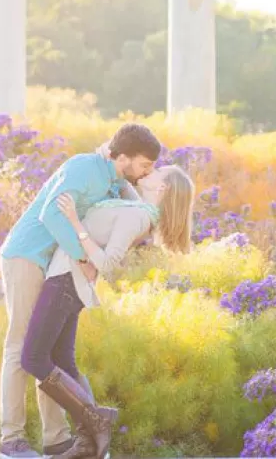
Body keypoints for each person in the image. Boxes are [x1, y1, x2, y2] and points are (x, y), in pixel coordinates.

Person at [0, 124, 161, 459]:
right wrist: (84, 257)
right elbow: (51, 215)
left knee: (48, 352)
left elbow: (142, 208)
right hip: (28, 254)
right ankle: (11, 440)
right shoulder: (83, 167)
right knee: (21, 348)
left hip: (53, 264)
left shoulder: (114, 179)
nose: (148, 171)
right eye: (145, 164)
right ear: (124, 157)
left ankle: (56, 438)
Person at [20, 165, 195, 459]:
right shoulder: (139, 208)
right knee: (63, 361)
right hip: (70, 281)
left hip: (66, 280)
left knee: (33, 358)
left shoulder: (137, 215)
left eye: (157, 172)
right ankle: (88, 442)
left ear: (162, 188)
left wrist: (75, 222)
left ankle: (95, 421)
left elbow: (108, 261)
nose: (150, 171)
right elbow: (120, 176)